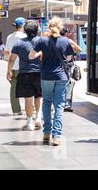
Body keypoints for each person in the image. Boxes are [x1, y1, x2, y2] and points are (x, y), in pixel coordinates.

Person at [29, 17, 74, 146]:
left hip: (46, 76)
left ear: (49, 27)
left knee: (47, 102)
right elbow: (69, 57)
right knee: (59, 105)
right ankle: (57, 136)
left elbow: (31, 55)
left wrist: (40, 55)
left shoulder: (42, 40)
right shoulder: (65, 41)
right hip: (61, 77)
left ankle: (46, 133)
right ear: (60, 28)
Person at [7, 20, 42, 130]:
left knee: (28, 99)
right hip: (39, 73)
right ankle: (38, 118)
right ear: (37, 30)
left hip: (24, 73)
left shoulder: (19, 43)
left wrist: (9, 71)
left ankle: (29, 123)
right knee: (39, 97)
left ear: (25, 30)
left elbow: (11, 59)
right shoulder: (42, 41)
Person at [3, 17, 27, 115]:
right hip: (24, 67)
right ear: (23, 26)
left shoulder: (9, 37)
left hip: (13, 67)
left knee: (13, 89)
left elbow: (7, 52)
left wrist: (8, 70)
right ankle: (30, 108)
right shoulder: (26, 36)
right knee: (27, 88)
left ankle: (16, 110)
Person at [60, 28, 82, 112]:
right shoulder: (68, 41)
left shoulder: (55, 41)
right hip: (68, 66)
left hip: (59, 66)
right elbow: (79, 49)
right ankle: (67, 105)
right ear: (66, 34)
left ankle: (60, 103)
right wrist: (71, 42)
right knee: (70, 84)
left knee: (61, 85)